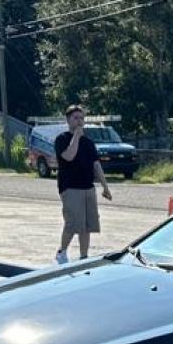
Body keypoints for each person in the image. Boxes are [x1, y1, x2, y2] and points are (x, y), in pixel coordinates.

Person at [54, 104, 112, 264]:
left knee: (86, 225)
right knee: (73, 223)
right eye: (76, 118)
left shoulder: (89, 142)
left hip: (88, 187)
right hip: (70, 187)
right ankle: (62, 252)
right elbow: (69, 156)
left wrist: (105, 187)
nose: (79, 121)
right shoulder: (62, 139)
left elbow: (96, 165)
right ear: (68, 120)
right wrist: (76, 137)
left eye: (82, 118)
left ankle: (83, 257)